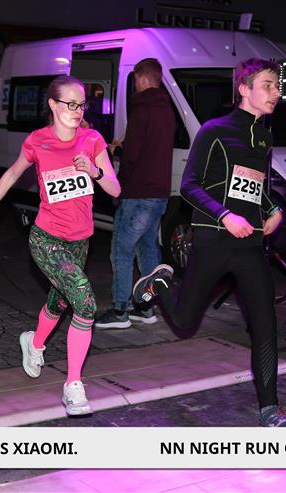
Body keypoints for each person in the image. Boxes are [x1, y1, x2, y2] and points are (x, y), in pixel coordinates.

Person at [132, 58, 286, 427]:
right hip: (214, 240)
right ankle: (160, 283)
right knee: (184, 321)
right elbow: (189, 185)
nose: (275, 93)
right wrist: (225, 216)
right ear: (244, 89)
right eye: (267, 85)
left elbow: (255, 186)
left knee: (265, 325)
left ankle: (269, 411)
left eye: (276, 86)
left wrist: (273, 210)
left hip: (250, 247)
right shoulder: (214, 130)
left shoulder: (264, 137)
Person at [0, 75, 121, 416]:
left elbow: (115, 189)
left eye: (82, 104)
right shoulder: (38, 141)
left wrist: (95, 172)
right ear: (53, 104)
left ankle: (34, 342)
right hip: (46, 238)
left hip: (80, 240)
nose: (78, 111)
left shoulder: (92, 139)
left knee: (61, 299)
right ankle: (73, 385)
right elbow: (11, 175)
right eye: (70, 104)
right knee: (84, 300)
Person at [94, 58, 175, 329]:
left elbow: (132, 158)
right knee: (148, 248)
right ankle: (145, 306)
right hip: (159, 193)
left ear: (140, 77)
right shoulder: (166, 110)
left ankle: (119, 311)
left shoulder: (141, 109)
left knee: (121, 251)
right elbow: (153, 149)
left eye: (135, 80)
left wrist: (119, 188)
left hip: (137, 193)